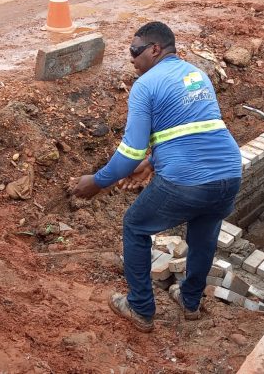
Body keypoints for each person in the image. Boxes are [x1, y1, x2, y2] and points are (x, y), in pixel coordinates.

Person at [72, 22, 242, 332]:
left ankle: (140, 308)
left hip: (185, 180)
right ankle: (190, 303)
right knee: (204, 235)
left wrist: (97, 181)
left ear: (155, 49)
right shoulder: (196, 74)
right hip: (229, 173)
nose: (132, 59)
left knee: (135, 226)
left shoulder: (146, 84)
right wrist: (153, 160)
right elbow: (192, 129)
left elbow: (129, 154)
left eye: (135, 51)